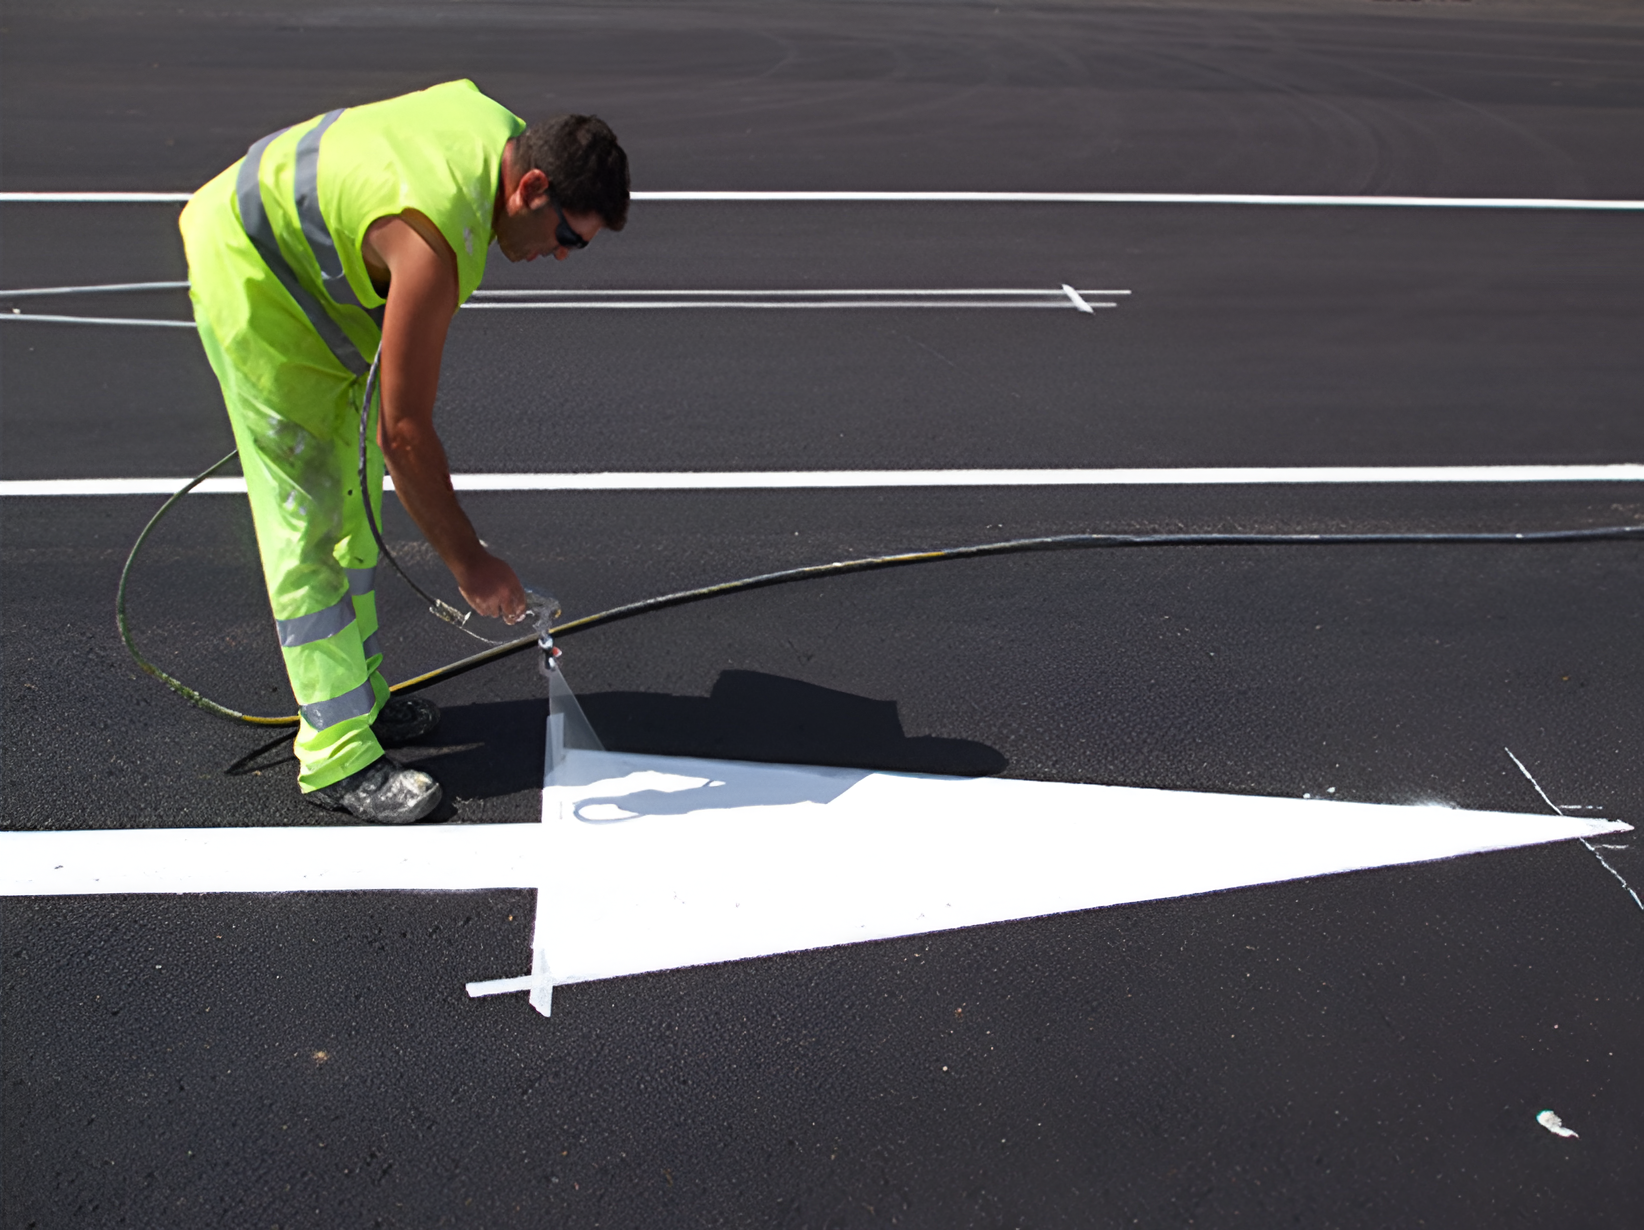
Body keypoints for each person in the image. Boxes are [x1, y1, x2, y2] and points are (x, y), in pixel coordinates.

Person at [179, 80, 629, 823]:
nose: (559, 256)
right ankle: (335, 757)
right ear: (532, 186)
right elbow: (404, 433)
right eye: (569, 237)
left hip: (298, 269)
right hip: (256, 281)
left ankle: (361, 698)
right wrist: (470, 564)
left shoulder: (499, 138)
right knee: (313, 523)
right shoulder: (433, 239)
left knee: (352, 499)